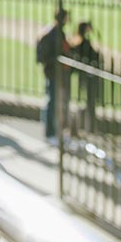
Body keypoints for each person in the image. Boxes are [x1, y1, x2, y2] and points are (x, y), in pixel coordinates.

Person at [36, 8, 69, 142]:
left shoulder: (56, 32)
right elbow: (45, 56)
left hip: (55, 73)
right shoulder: (52, 34)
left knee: (54, 101)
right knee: (52, 102)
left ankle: (54, 130)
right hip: (52, 72)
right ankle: (50, 133)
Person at [69, 21, 101, 132]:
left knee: (85, 101)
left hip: (84, 76)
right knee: (88, 101)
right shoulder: (83, 43)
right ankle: (86, 126)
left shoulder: (78, 41)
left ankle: (86, 126)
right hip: (86, 76)